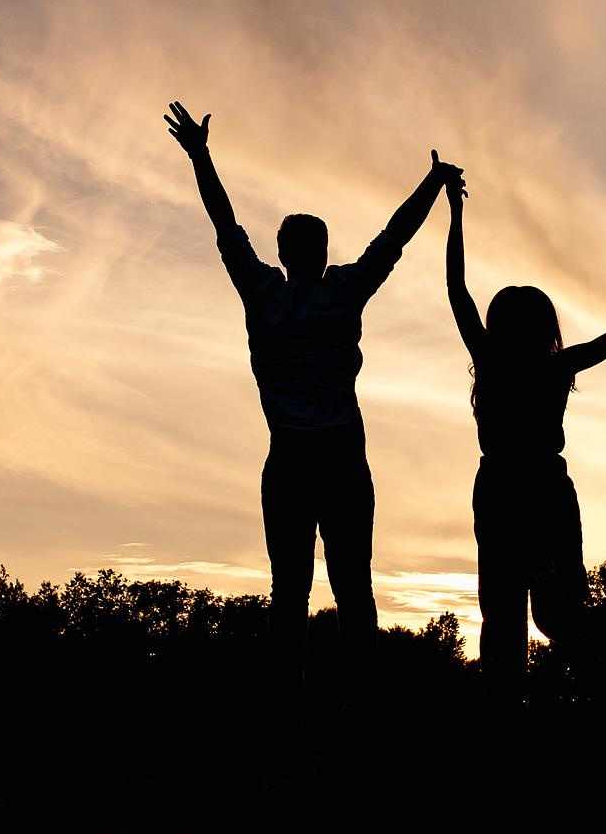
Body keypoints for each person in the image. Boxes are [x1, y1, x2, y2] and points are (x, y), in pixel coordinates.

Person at [166, 100, 463, 679]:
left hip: (290, 459)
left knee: (289, 593)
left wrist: (201, 158)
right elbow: (392, 239)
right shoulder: (343, 292)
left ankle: (289, 710)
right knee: (354, 588)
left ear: (281, 254)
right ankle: (359, 703)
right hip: (341, 459)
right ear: (323, 254)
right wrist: (431, 183)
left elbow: (224, 226)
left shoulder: (261, 294)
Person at [446, 177, 606, 702]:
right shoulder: (557, 365)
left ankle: (509, 713)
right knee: (564, 614)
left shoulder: (491, 361)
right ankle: (601, 692)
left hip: (500, 491)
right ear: (548, 329)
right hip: (545, 491)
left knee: (502, 619)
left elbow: (457, 289)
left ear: (498, 327)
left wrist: (454, 214)